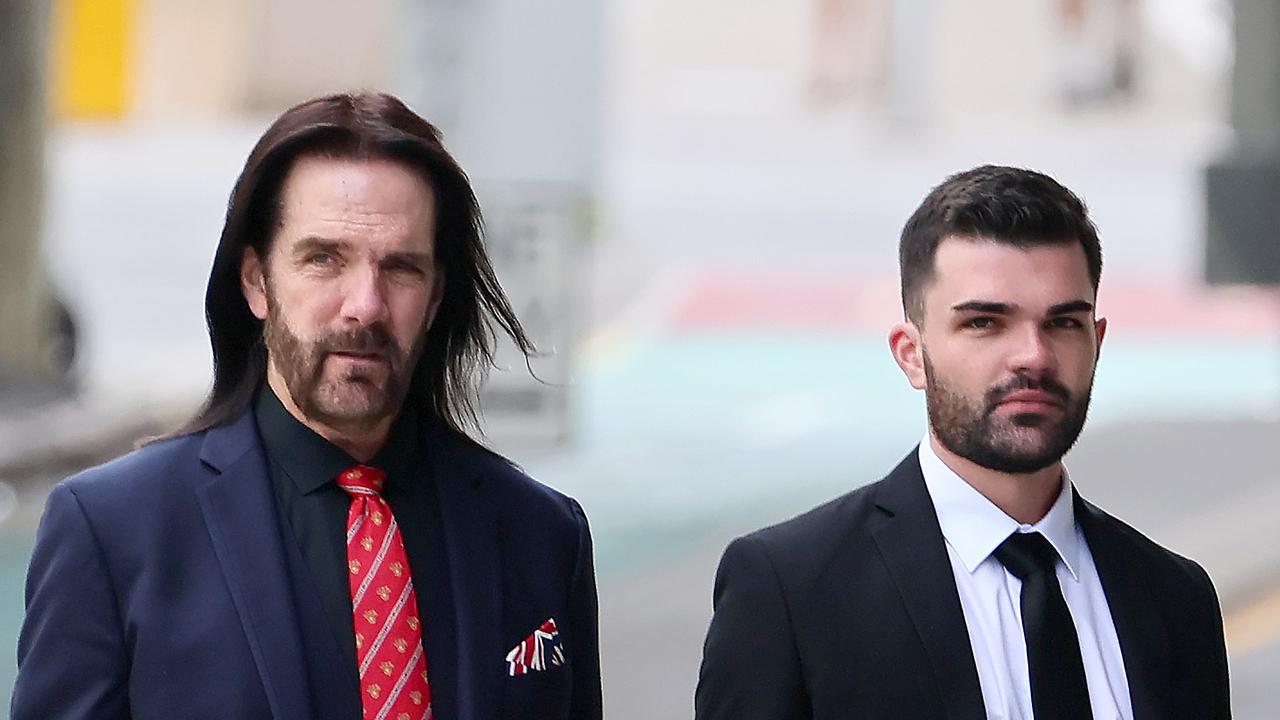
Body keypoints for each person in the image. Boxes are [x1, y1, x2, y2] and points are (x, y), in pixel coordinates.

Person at [12, 92, 602, 720]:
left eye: (401, 269)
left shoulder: (540, 536)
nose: (365, 306)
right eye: (324, 259)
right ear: (256, 281)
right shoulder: (115, 531)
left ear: (435, 300)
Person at [695, 165, 1230, 719]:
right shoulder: (791, 589)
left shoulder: (1174, 597)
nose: (1034, 356)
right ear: (911, 353)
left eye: (1063, 323)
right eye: (984, 323)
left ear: (1096, 341)